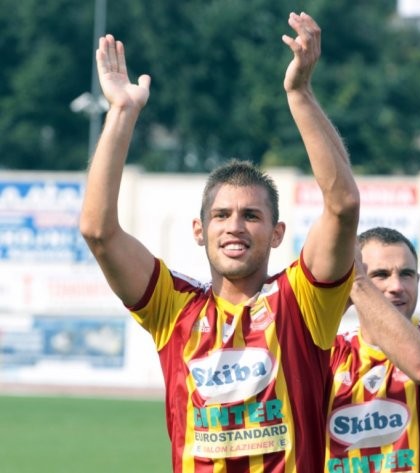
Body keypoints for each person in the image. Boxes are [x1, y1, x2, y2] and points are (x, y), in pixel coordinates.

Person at [80, 12, 360, 472]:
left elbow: (343, 205)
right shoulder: (174, 308)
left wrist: (300, 93)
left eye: (252, 216)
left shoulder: (303, 301)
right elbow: (98, 232)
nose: (235, 227)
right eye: (221, 215)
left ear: (277, 233)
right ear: (199, 230)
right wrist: (122, 113)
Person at [324, 227, 420, 472]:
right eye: (381, 275)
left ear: (417, 281)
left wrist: (359, 283)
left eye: (406, 274)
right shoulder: (331, 353)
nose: (396, 286)